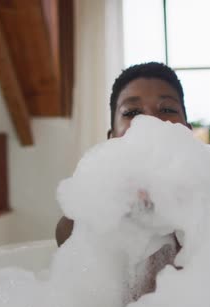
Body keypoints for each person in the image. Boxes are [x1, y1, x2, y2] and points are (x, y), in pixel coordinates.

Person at [55, 62, 191, 246]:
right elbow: (66, 236)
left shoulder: (209, 190)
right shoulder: (100, 196)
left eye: (167, 110)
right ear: (112, 138)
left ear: (188, 131)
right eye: (132, 112)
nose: (150, 120)